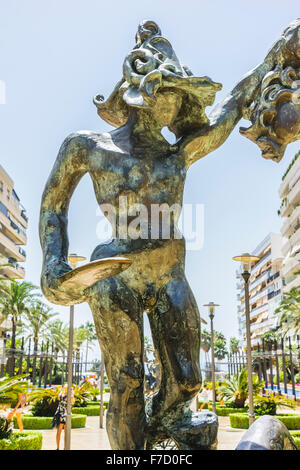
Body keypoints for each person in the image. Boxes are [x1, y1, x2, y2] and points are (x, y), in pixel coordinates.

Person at [39, 20, 300, 449]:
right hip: (114, 274)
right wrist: (53, 262)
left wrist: (279, 53)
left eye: (181, 99)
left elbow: (234, 102)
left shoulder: (180, 153)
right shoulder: (86, 147)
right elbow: (53, 207)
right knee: (126, 382)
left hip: (169, 273)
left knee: (187, 380)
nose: (175, 109)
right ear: (144, 94)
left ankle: (165, 434)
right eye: (171, 95)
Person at [51, 385, 75, 450]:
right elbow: (71, 402)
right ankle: (59, 447)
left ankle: (62, 447)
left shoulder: (67, 395)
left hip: (65, 414)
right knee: (60, 432)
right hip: (61, 414)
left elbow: (72, 402)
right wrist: (71, 393)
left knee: (64, 432)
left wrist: (72, 393)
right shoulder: (65, 395)